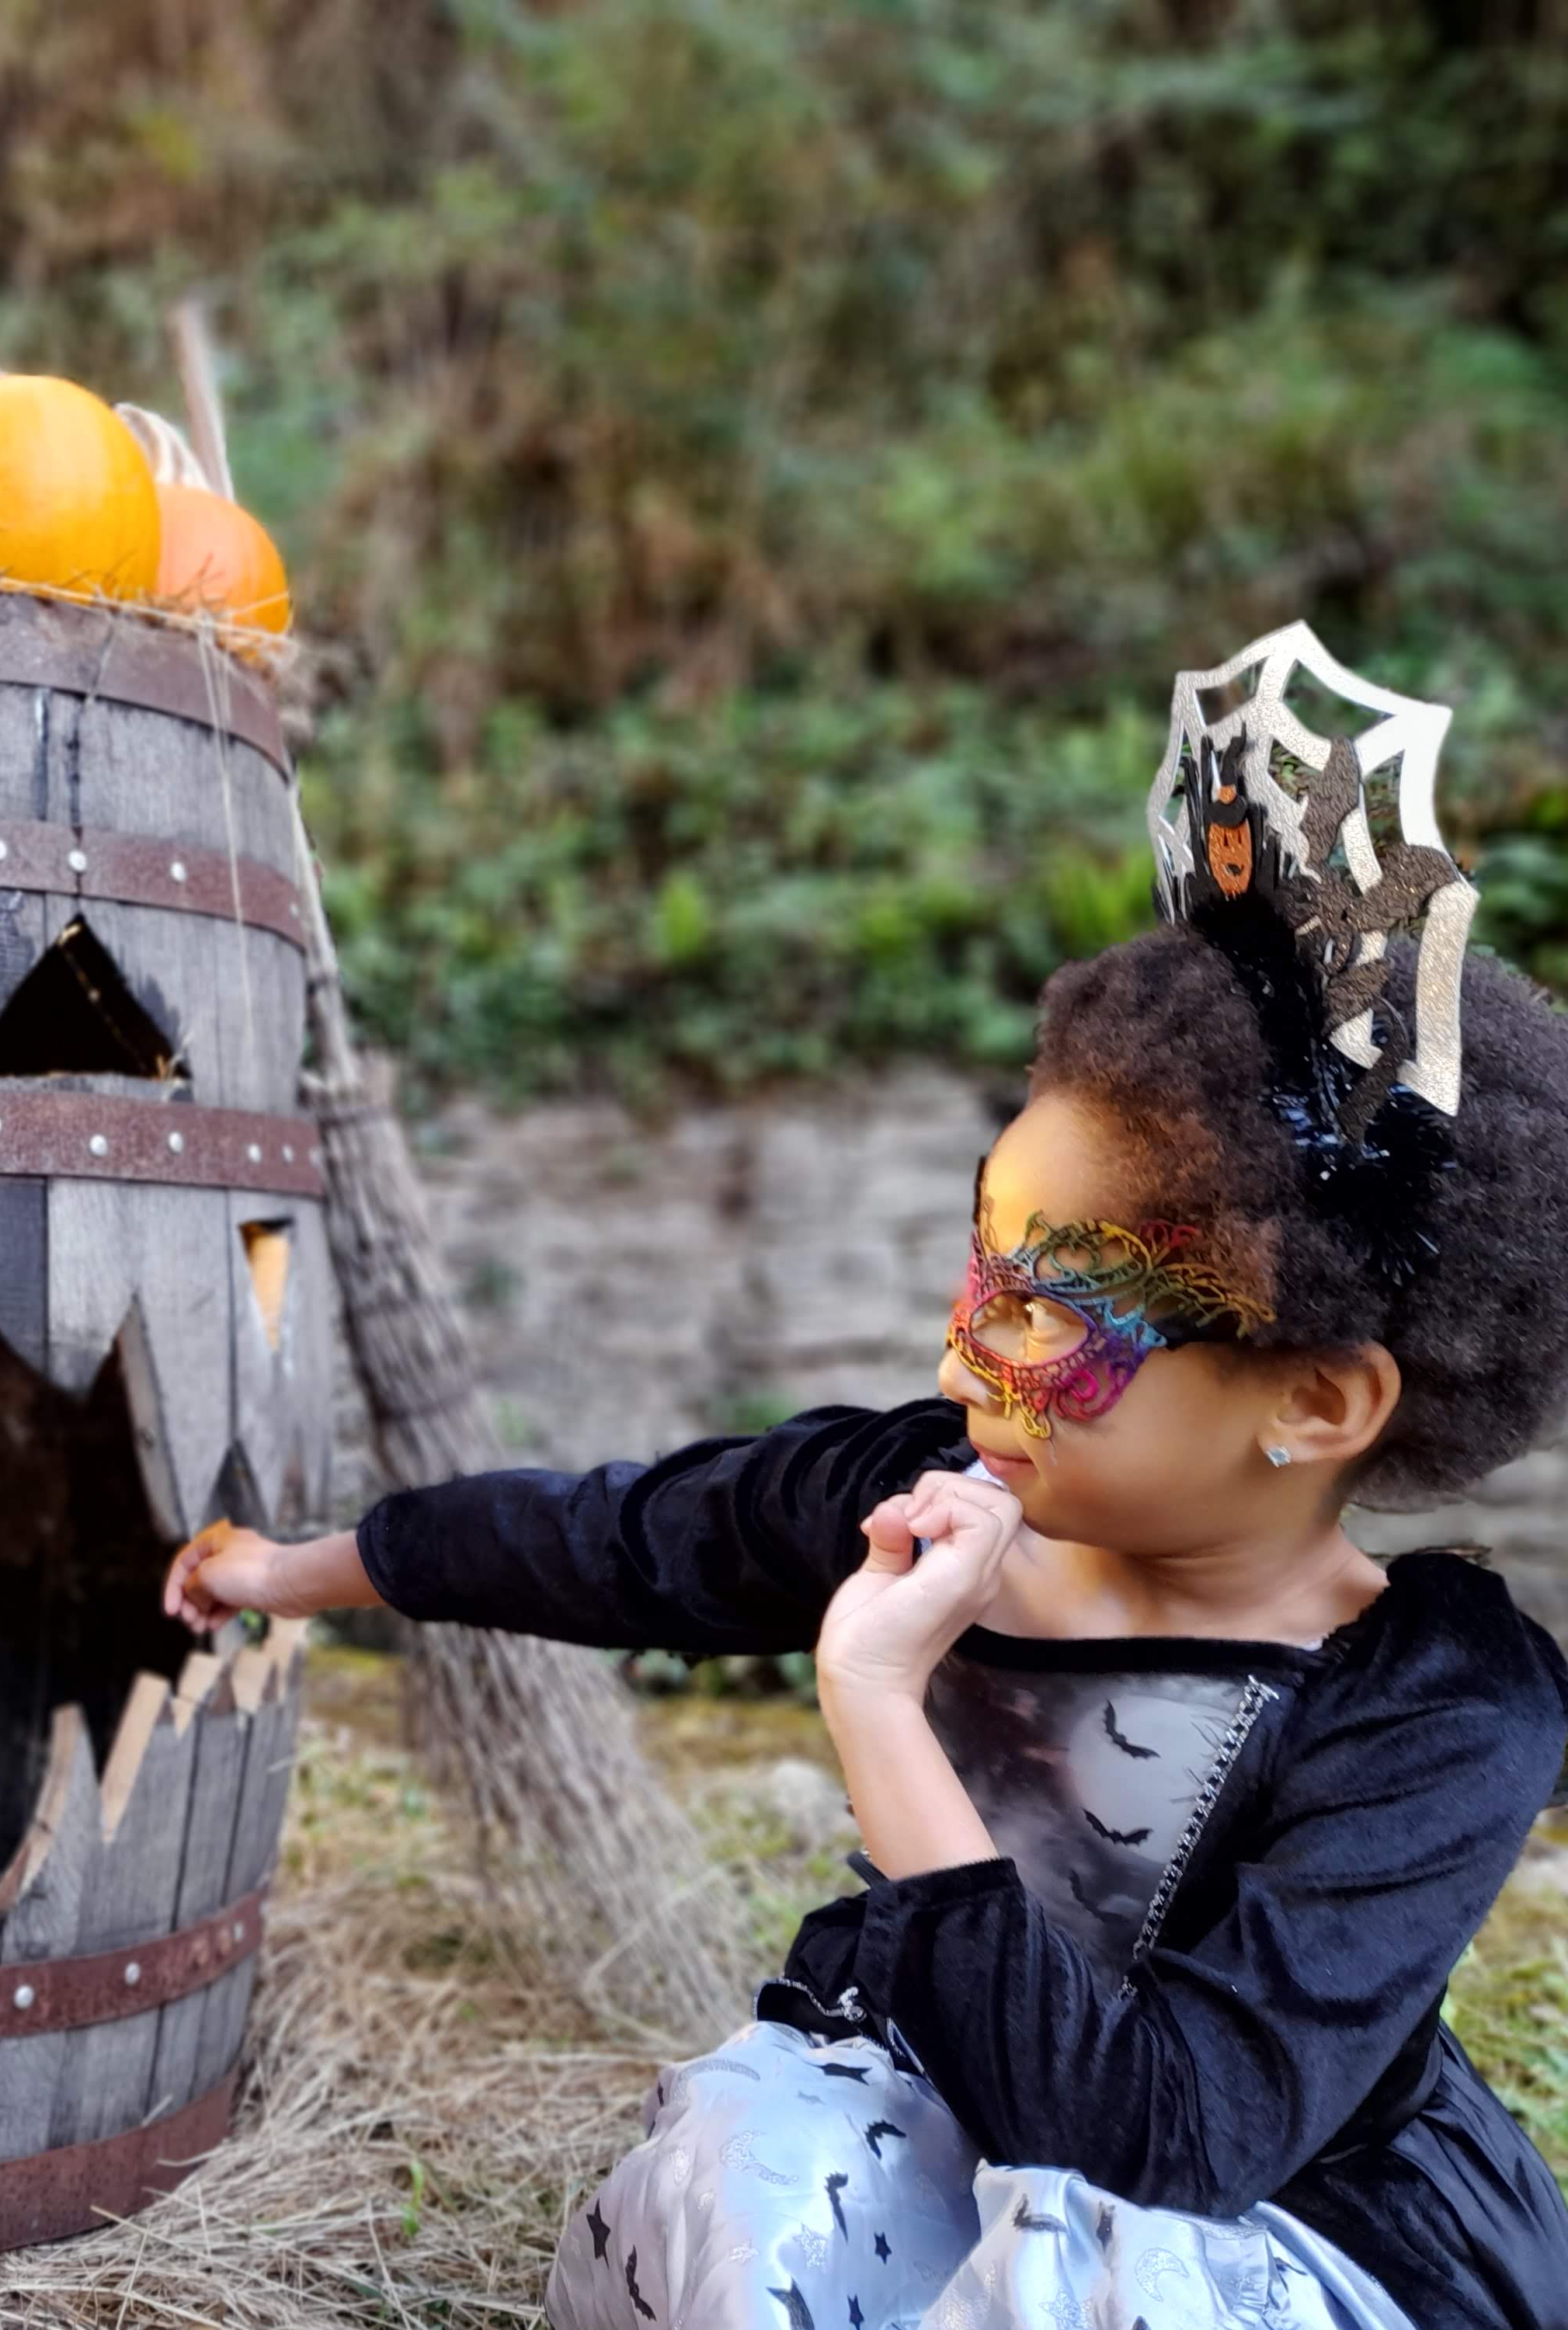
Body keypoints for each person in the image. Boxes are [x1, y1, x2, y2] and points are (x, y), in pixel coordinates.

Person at [167, 628, 1568, 2330]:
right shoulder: (929, 1481)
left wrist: (877, 1700)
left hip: (1250, 2223)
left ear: (1316, 1402)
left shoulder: (1432, 1716)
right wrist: (302, 1569)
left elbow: (1157, 2141)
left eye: (1046, 1315)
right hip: (909, 2116)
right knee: (762, 2198)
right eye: (976, 1268)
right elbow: (617, 1543)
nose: (955, 1362)